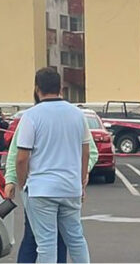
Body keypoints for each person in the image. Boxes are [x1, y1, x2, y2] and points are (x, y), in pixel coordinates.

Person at [7, 68, 91, 263]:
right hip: (70, 187)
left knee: (46, 244)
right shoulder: (78, 115)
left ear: (37, 89)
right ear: (61, 88)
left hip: (41, 189)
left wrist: (23, 184)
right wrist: (81, 180)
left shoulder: (31, 116)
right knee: (76, 239)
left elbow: (21, 158)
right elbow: (85, 151)